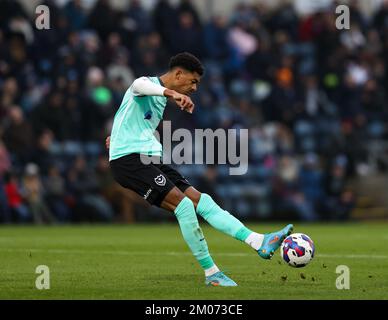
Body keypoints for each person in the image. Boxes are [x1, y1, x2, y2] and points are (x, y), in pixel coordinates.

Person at [106, 52, 293, 287]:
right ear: (178, 73)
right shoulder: (145, 84)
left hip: (148, 159)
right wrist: (172, 93)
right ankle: (211, 273)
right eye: (193, 81)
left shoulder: (160, 99)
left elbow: (128, 116)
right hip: (129, 161)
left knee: (201, 200)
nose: (194, 88)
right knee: (183, 206)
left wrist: (116, 135)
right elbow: (138, 85)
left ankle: (258, 241)